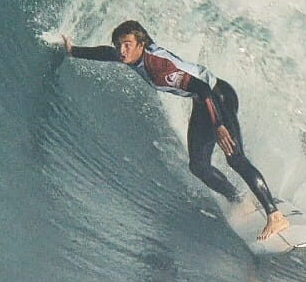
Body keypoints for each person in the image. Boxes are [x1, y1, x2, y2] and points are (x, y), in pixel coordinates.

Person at [61, 20, 289, 240]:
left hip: (217, 97)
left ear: (141, 45)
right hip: (202, 102)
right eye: (119, 44)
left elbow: (200, 87)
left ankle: (275, 215)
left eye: (127, 44)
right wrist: (74, 50)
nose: (122, 50)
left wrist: (218, 125)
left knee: (235, 158)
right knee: (198, 165)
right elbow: (107, 53)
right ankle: (238, 199)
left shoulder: (159, 69)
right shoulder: (133, 54)